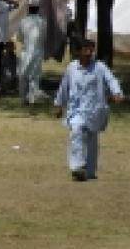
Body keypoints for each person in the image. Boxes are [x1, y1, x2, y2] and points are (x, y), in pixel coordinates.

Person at [54, 39, 123, 181]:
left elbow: (111, 79)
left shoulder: (99, 67)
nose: (89, 52)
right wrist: (58, 104)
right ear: (78, 51)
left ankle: (90, 171)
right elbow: (64, 86)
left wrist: (116, 92)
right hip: (76, 110)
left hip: (95, 110)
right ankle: (77, 166)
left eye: (91, 49)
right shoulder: (72, 68)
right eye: (85, 49)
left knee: (91, 140)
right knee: (77, 131)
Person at [17, 0, 48, 104]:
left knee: (23, 74)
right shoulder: (43, 22)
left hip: (26, 51)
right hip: (38, 51)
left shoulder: (23, 21)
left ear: (29, 8)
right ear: (38, 8)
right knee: (34, 76)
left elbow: (19, 38)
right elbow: (44, 38)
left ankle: (23, 98)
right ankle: (32, 98)